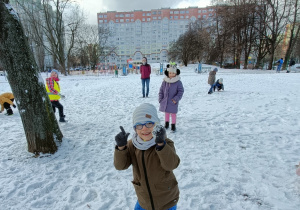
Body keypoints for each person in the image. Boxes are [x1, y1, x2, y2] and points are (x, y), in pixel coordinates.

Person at [114, 103, 180, 210]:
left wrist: (161, 145)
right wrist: (121, 148)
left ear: (156, 124)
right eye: (139, 125)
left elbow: (171, 165)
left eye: (149, 123)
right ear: (135, 128)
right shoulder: (132, 145)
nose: (144, 129)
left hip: (166, 200)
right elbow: (120, 166)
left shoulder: (166, 143)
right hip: (144, 199)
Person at [159, 66, 184, 132]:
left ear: (176, 73)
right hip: (165, 101)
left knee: (173, 113)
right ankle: (166, 123)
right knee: (166, 113)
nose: (171, 75)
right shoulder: (165, 81)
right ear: (168, 73)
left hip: (173, 101)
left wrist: (176, 99)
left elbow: (180, 91)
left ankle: (173, 125)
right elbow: (161, 90)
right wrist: (160, 98)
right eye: (170, 73)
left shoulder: (178, 82)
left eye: (173, 73)